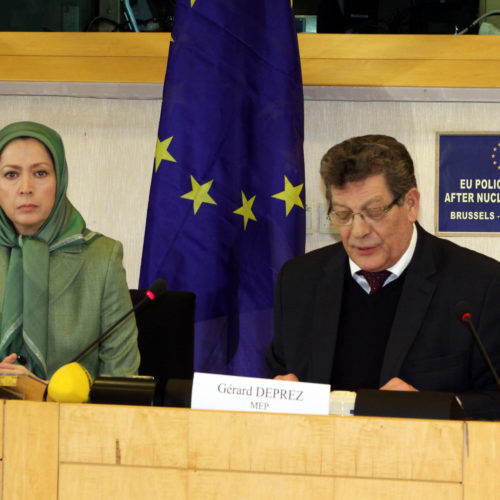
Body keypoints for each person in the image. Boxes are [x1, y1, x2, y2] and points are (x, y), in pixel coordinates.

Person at [266, 134, 500, 419]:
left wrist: (434, 406)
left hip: (423, 459)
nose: (359, 231)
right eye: (343, 214)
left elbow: (495, 398)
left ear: (411, 204)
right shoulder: (299, 281)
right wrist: (277, 394)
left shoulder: (480, 286)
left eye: (374, 212)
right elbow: (277, 376)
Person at [0, 121, 140, 385]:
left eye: (40, 173)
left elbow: (122, 379)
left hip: (75, 423)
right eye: (11, 175)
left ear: (60, 179)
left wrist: (44, 391)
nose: (26, 187)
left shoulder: (102, 258)